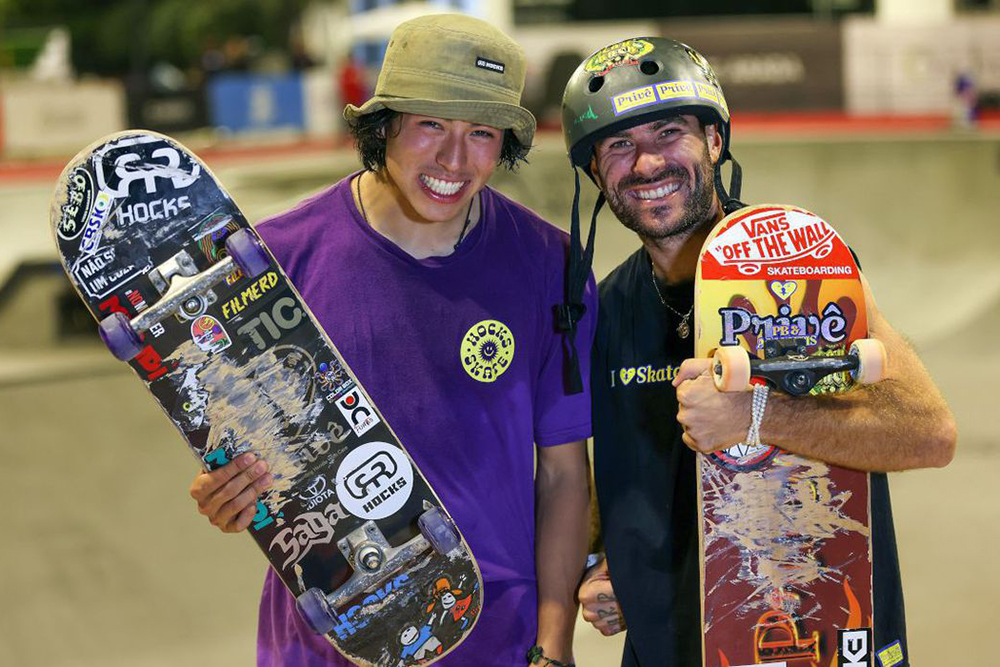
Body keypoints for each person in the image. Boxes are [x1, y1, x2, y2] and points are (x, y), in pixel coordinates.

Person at [189, 14, 593, 667]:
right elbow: (248, 460)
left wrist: (554, 643)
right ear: (384, 127)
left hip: (498, 638)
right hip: (326, 640)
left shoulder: (552, 266)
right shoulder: (279, 262)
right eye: (432, 124)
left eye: (481, 134)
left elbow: (565, 475)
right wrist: (230, 494)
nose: (454, 160)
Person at [559, 37, 957, 666]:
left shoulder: (805, 270)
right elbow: (617, 463)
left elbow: (928, 435)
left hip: (817, 642)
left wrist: (757, 417)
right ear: (594, 172)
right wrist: (603, 560)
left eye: (668, 133)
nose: (645, 164)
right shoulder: (604, 310)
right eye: (618, 145)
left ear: (714, 141)